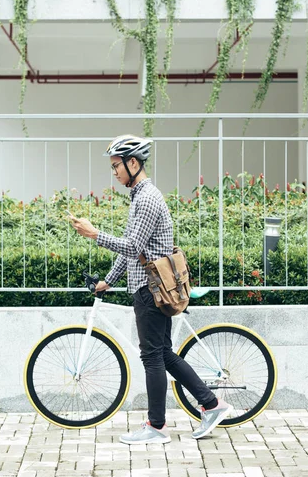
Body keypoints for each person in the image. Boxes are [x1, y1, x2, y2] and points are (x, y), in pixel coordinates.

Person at [70, 134, 232, 444]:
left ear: (133, 163)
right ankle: (212, 404)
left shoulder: (146, 199)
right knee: (162, 354)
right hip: (148, 287)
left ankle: (157, 426)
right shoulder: (140, 197)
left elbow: (131, 247)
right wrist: (109, 280)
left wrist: (95, 234)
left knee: (152, 358)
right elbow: (135, 252)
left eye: (116, 166)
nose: (114, 172)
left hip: (151, 290)